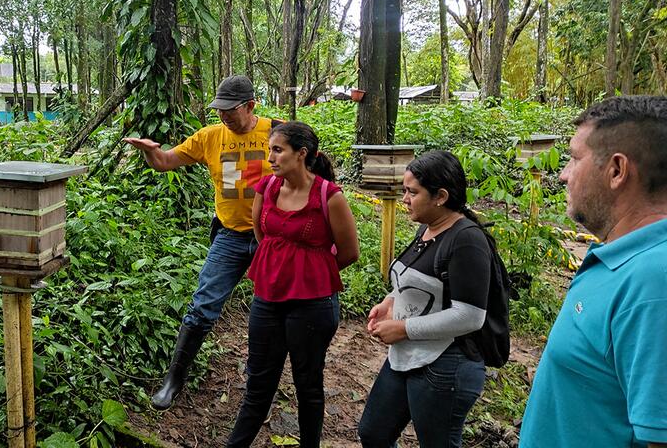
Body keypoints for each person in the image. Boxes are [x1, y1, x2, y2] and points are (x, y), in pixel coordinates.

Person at [519, 96, 667, 448]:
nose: (563, 173)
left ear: (616, 170)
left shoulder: (653, 283)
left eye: (573, 158)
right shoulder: (620, 257)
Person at [123, 75, 275, 410]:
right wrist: (151, 153)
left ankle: (264, 380)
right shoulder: (209, 137)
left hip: (275, 239)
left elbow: (311, 173)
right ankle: (174, 379)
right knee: (203, 304)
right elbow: (165, 163)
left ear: (251, 105)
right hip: (230, 236)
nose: (223, 116)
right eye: (219, 109)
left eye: (230, 110)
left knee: (275, 310)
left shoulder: (277, 132)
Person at [225, 121, 360, 447]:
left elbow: (349, 252)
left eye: (277, 150)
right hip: (268, 298)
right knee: (258, 385)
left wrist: (309, 270)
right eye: (270, 149)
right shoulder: (268, 187)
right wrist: (280, 265)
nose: (270, 156)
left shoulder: (329, 196)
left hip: (313, 304)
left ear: (301, 154)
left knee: (308, 384)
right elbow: (262, 233)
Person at [358, 150, 492, 448]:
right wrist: (391, 302)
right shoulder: (427, 228)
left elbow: (470, 316)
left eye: (412, 192)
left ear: (440, 196)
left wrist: (403, 328)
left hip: (447, 365)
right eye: (404, 190)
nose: (404, 198)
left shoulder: (466, 240)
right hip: (409, 355)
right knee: (374, 433)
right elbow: (417, 281)